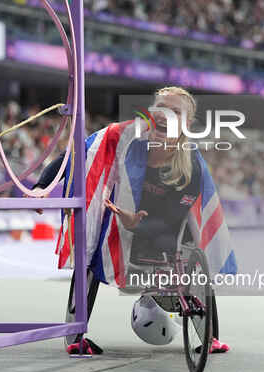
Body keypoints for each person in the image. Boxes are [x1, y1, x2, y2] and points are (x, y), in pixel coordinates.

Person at [33, 86, 236, 355]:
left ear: (186, 124)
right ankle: (74, 338)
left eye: (175, 111)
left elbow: (176, 218)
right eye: (161, 108)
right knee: (92, 246)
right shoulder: (124, 136)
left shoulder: (191, 163)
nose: (165, 115)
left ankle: (209, 338)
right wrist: (42, 186)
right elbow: (78, 154)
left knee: (195, 247)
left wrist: (137, 225)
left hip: (159, 227)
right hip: (119, 219)